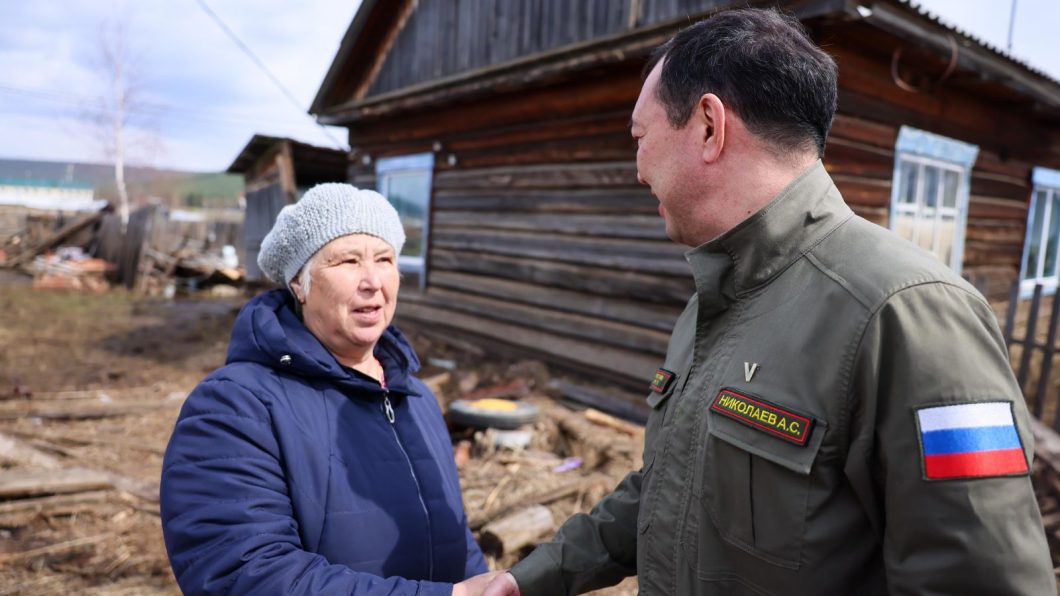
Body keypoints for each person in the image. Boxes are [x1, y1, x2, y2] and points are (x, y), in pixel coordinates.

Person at [481, 7, 1054, 596]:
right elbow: (670, 489)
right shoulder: (722, 294)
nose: (638, 168)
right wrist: (528, 581)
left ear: (708, 126)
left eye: (641, 136)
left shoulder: (911, 313)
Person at [160, 183, 499, 595]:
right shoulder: (235, 406)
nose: (372, 280)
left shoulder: (418, 400)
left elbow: (454, 537)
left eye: (385, 259)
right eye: (348, 260)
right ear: (300, 284)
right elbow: (249, 575)